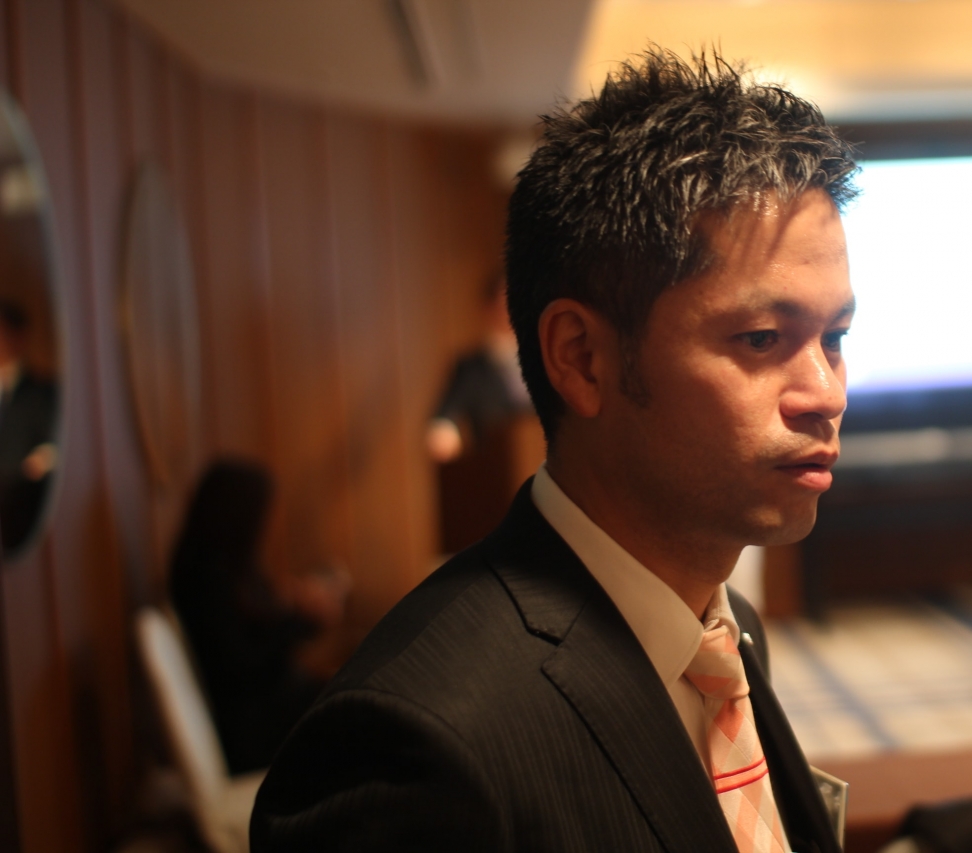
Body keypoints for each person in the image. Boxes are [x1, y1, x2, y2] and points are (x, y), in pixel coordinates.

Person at [251, 47, 858, 853]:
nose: (826, 393)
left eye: (835, 337)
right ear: (582, 358)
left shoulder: (723, 627)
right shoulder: (415, 747)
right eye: (761, 337)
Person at [170, 459, 350, 774]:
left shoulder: (231, 565)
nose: (267, 523)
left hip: (271, 707)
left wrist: (300, 612)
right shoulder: (204, 577)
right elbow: (240, 666)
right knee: (359, 706)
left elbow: (259, 635)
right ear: (236, 515)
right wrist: (303, 621)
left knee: (357, 690)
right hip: (255, 732)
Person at [424, 272, 532, 463]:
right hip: (495, 467)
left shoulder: (544, 359)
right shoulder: (471, 368)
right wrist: (443, 435)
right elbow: (445, 419)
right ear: (490, 307)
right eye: (505, 303)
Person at [0, 300, 57, 554]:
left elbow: (55, 449)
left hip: (22, 509)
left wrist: (37, 463)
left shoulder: (43, 393)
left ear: (18, 337)